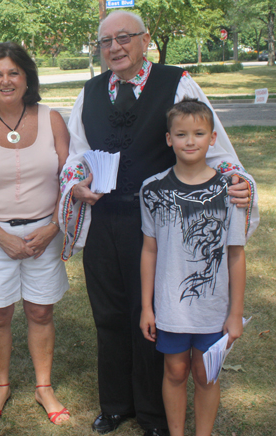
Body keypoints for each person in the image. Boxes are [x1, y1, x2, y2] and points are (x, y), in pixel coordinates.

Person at [59, 10, 258, 436]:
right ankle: (114, 405)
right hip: (105, 219)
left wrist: (237, 181)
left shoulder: (177, 83)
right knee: (109, 315)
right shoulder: (90, 92)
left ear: (145, 40)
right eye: (105, 41)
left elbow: (211, 141)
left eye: (124, 38)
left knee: (151, 317)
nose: (114, 47)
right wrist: (75, 185)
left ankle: (152, 416)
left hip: (161, 223)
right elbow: (76, 154)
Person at [0, 42, 70, 426]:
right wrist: (2, 238)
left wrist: (53, 226)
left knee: (40, 310)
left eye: (13, 72)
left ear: (27, 78)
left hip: (45, 232)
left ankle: (43, 386)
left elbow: (69, 181)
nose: (6, 80)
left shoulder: (53, 119)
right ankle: (1, 385)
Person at [139, 98, 247, 436]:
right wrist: (146, 306)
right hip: (171, 304)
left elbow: (236, 254)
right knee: (175, 371)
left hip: (213, 308)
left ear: (213, 138)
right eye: (182, 134)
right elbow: (150, 249)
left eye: (199, 133)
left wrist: (235, 312)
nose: (190, 141)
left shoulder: (232, 191)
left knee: (205, 375)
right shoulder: (153, 190)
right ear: (169, 139)